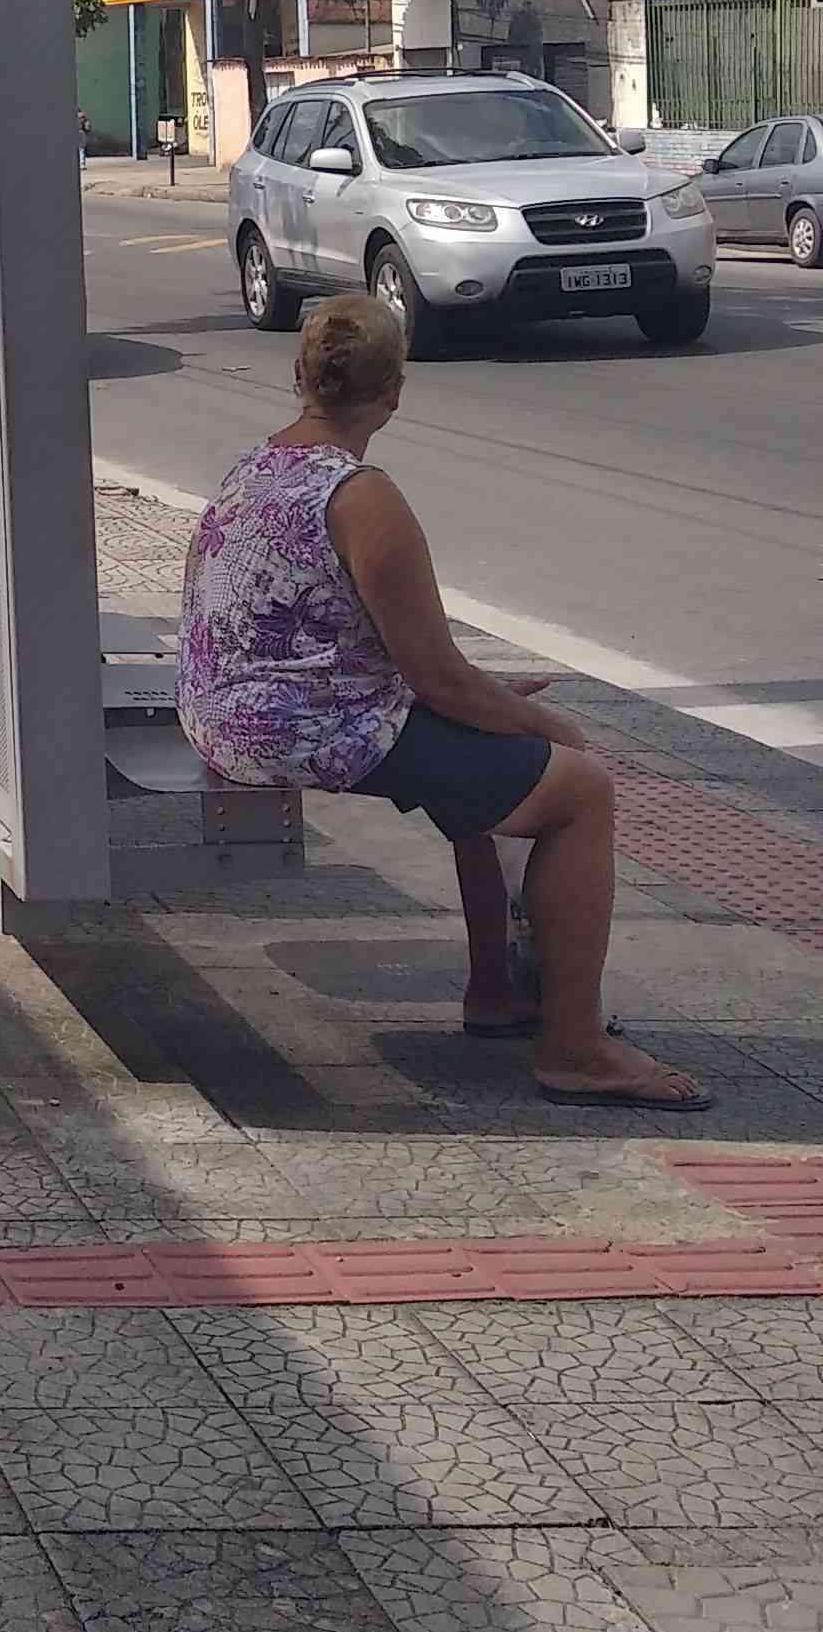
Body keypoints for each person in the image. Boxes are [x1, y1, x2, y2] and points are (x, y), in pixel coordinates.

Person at [176, 291, 708, 1110]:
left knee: (491, 754)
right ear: (394, 392)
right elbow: (439, 680)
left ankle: (497, 990)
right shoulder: (362, 497)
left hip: (226, 707)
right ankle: (575, 1048)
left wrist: (484, 710)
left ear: (299, 379)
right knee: (577, 789)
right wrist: (545, 724)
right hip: (294, 724)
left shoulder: (258, 465)